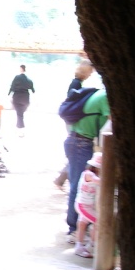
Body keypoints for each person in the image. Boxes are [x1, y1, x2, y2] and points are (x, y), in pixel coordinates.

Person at [64, 88, 110, 242]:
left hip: (78, 141)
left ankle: (79, 227)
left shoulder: (101, 93)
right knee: (77, 185)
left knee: (77, 184)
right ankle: (74, 230)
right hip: (80, 143)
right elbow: (111, 122)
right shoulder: (105, 96)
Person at [54, 60, 95, 190]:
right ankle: (64, 181)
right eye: (90, 72)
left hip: (72, 121)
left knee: (74, 155)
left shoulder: (77, 83)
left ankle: (61, 180)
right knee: (76, 152)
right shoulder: (76, 84)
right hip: (74, 121)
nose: (90, 74)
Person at [73, 152, 102, 258]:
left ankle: (79, 246)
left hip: (87, 205)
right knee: (99, 222)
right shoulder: (89, 174)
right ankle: (91, 245)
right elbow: (99, 181)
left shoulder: (92, 174)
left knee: (82, 223)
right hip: (83, 205)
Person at [8, 65, 35, 135]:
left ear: (20, 69)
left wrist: (8, 94)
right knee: (20, 114)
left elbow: (12, 87)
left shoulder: (16, 78)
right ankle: (20, 129)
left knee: (19, 114)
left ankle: (20, 129)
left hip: (17, 97)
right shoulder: (28, 79)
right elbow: (33, 90)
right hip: (25, 99)